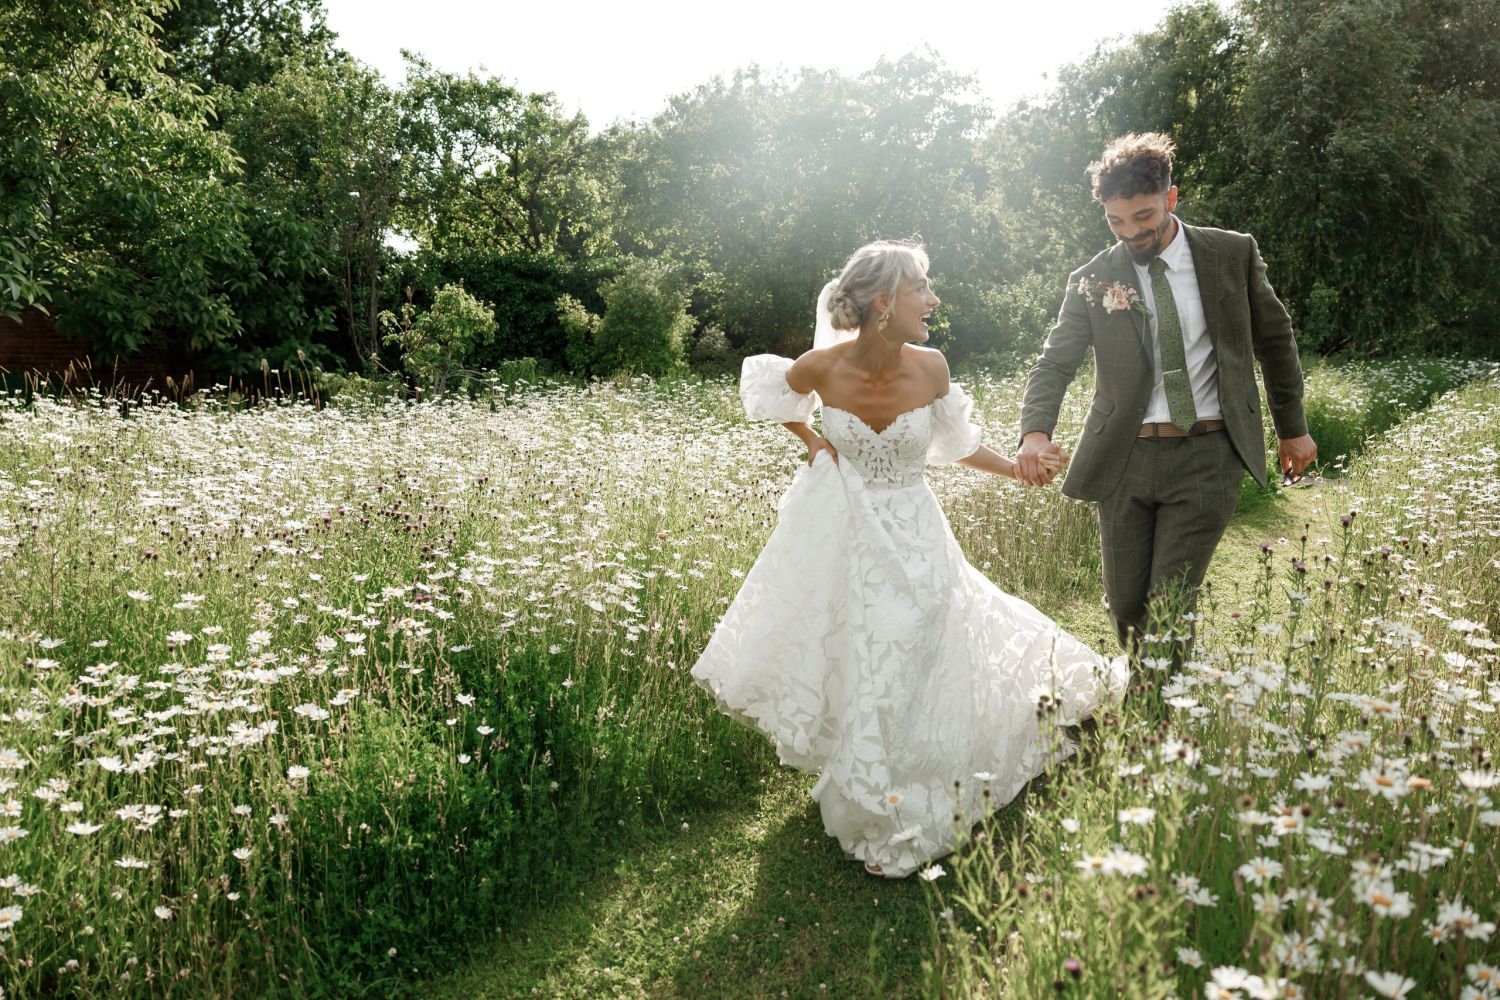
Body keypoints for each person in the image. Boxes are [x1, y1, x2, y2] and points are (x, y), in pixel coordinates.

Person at [691, 240, 1126, 878]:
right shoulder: (820, 367)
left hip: (916, 530)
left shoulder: (932, 368)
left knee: (920, 639)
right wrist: (814, 443)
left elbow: (955, 445)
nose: (933, 298)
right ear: (883, 302)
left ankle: (911, 769)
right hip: (849, 530)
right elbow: (770, 395)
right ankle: (876, 781)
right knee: (865, 650)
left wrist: (1016, 470)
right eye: (922, 287)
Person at [1016, 133, 1316, 655]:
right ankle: (1151, 712)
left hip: (1208, 452)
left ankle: (1153, 731)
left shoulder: (1231, 253)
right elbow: (1054, 362)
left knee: (1170, 604)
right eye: (1116, 221)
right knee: (1127, 606)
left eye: (1143, 217)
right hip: (1123, 459)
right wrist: (1035, 434)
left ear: (1171, 199)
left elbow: (1275, 340)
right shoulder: (1092, 279)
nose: (1131, 232)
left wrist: (1294, 430)